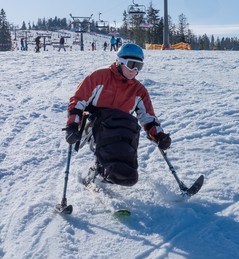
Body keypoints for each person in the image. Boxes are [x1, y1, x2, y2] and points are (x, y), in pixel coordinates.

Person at [64, 43, 171, 186]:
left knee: (127, 136)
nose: (134, 70)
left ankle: (120, 173)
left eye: (139, 66)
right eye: (131, 64)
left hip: (122, 127)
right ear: (120, 61)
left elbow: (148, 117)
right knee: (106, 135)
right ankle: (99, 170)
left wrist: (159, 135)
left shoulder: (139, 90)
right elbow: (78, 101)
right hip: (94, 124)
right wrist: (72, 125)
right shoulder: (99, 76)